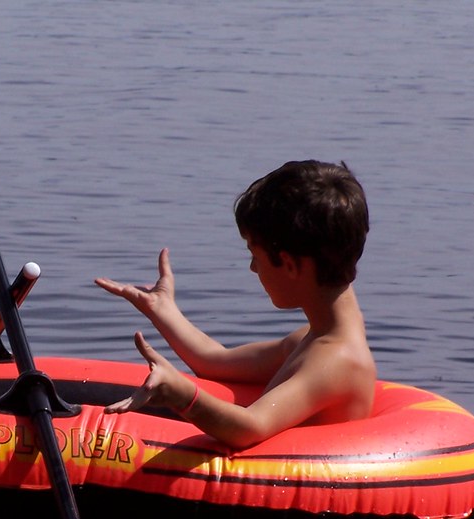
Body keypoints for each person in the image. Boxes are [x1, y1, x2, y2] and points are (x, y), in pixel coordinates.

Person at [94, 160, 375, 450]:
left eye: (255, 255)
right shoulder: (314, 338)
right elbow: (215, 362)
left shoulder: (338, 361)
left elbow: (250, 426)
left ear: (289, 265)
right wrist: (162, 309)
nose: (253, 268)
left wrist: (183, 394)